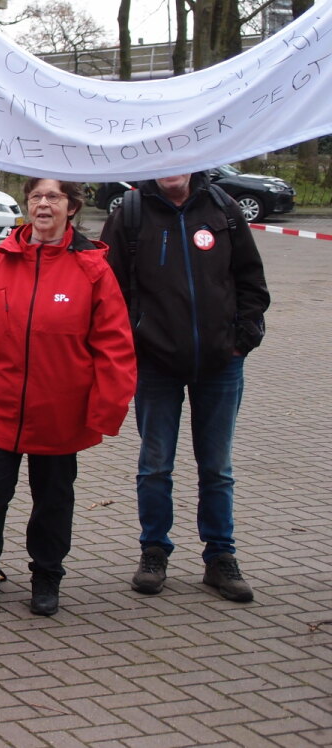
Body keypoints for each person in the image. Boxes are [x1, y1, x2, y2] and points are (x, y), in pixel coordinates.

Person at [0, 178, 136, 616]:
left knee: (52, 499)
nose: (43, 205)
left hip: (60, 411)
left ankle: (47, 577)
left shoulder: (93, 269)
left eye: (53, 197)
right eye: (36, 197)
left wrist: (105, 409)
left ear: (72, 207)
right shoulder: (1, 261)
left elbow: (115, 345)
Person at [101, 172, 269, 602]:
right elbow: (110, 289)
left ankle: (220, 557)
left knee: (217, 468)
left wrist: (243, 338)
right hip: (156, 364)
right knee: (155, 466)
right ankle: (154, 551)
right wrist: (133, 344)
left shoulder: (223, 209)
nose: (172, 165)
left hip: (220, 363)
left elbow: (251, 279)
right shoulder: (132, 214)